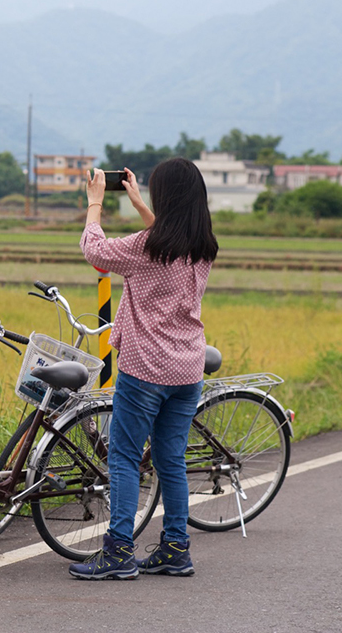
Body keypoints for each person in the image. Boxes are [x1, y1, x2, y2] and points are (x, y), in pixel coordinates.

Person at [68, 159, 218, 580]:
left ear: (165, 197)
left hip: (146, 369)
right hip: (187, 370)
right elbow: (164, 238)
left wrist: (95, 203)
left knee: (124, 457)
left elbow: (94, 251)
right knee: (171, 460)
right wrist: (136, 203)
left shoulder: (148, 247)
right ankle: (176, 548)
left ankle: (117, 551)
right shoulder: (202, 246)